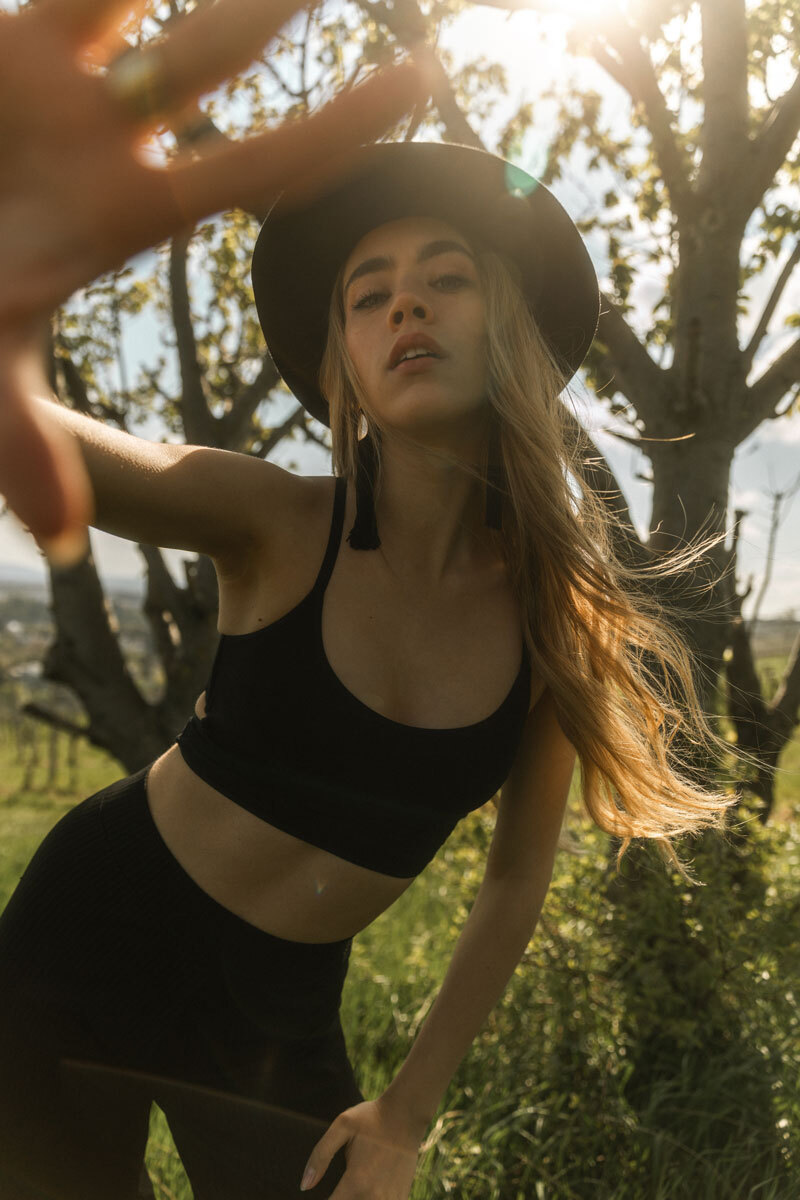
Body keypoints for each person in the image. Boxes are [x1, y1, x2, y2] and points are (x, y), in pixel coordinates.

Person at [0, 3, 748, 1199]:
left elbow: (512, 881)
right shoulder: (273, 519)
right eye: (369, 294)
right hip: (83, 941)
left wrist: (405, 1112)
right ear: (342, 362)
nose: (406, 304)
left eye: (446, 278)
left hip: (278, 1017)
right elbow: (53, 447)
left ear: (503, 328)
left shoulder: (555, 613)